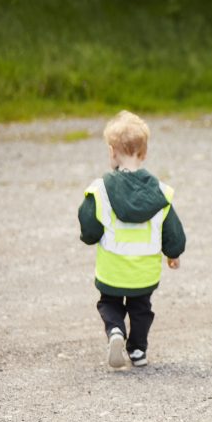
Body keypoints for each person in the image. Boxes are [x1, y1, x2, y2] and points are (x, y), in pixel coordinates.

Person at [78, 110, 186, 369]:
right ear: (144, 153)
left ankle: (115, 330)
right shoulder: (160, 193)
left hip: (112, 269)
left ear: (112, 152)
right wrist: (173, 252)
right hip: (144, 273)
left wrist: (90, 236)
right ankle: (138, 349)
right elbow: (172, 230)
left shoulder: (101, 190)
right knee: (141, 309)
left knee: (109, 302)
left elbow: (89, 225)